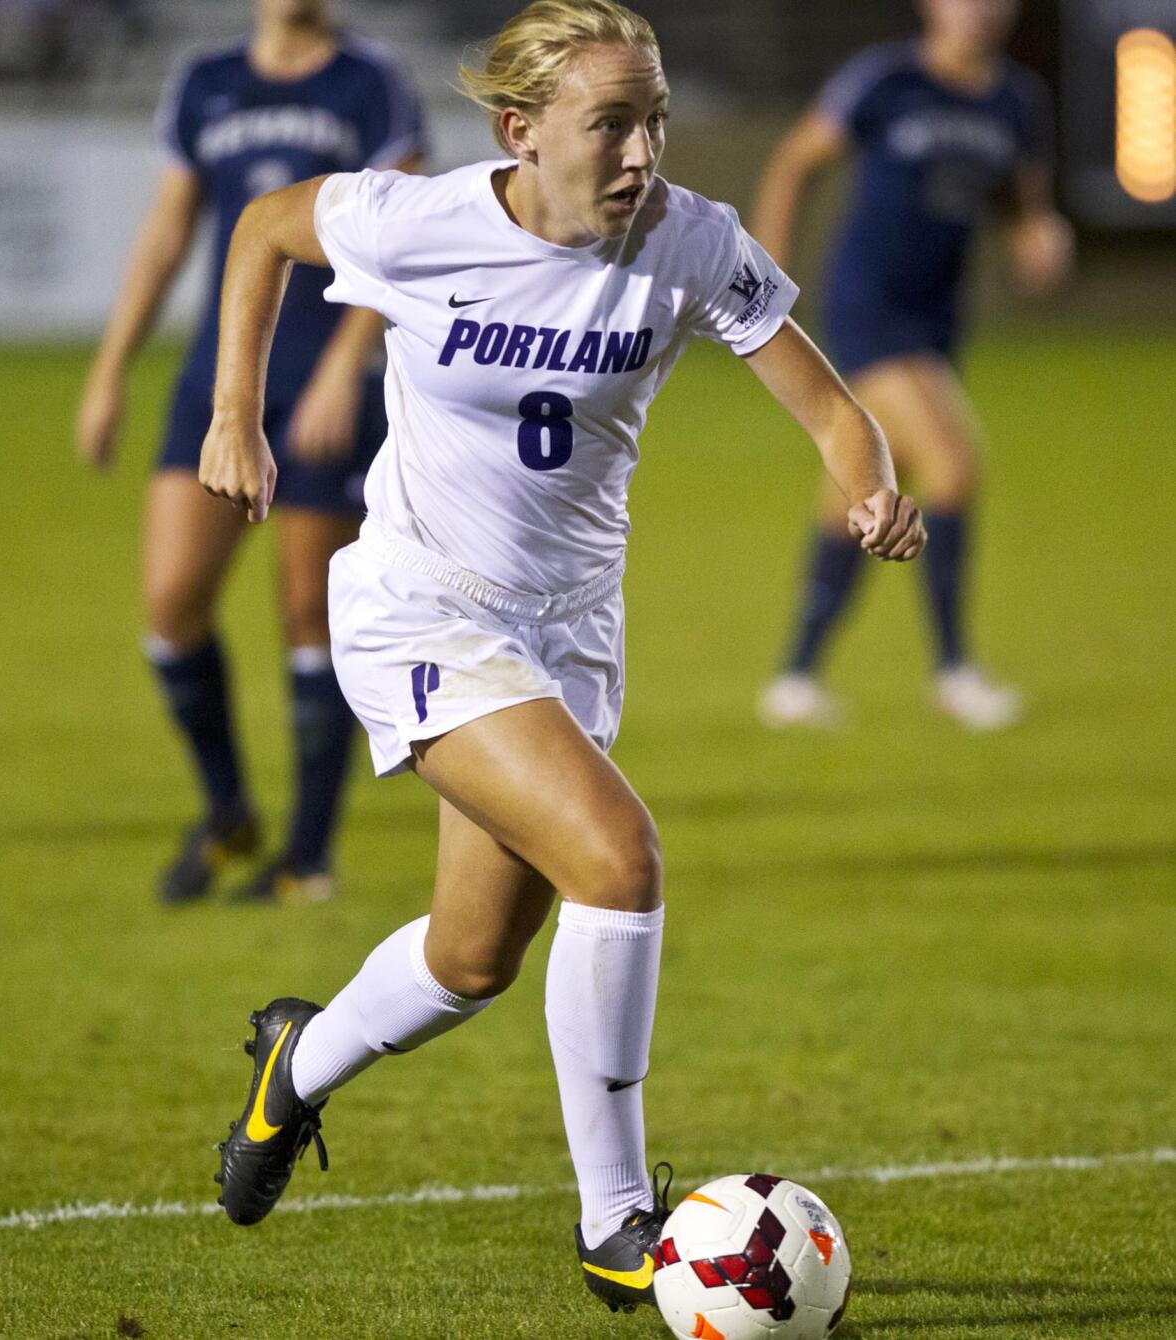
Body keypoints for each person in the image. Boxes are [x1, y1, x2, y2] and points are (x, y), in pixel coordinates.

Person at [203, 0, 926, 1313]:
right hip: (419, 609)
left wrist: (869, 484)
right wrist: (234, 415)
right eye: (611, 123)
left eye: (653, 117)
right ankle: (616, 1229)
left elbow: (828, 406)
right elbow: (261, 229)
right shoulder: (416, 222)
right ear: (519, 132)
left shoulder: (687, 241)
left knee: (471, 959)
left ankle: (292, 1069)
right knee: (619, 856)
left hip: (566, 639)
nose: (643, 148)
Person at [74, 0, 425, 903]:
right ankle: (228, 810)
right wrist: (110, 370)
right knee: (172, 604)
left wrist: (348, 366)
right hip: (218, 382)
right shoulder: (207, 82)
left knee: (311, 612)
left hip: (324, 383)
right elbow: (167, 235)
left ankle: (306, 859)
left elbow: (403, 242)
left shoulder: (371, 83)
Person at [752, 0, 1072, 731]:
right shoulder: (885, 79)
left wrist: (1040, 240)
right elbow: (796, 161)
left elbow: (1028, 207)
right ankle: (955, 670)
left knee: (857, 494)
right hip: (868, 310)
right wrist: (765, 276)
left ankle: (796, 679)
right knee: (953, 466)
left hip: (936, 319)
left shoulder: (1018, 101)